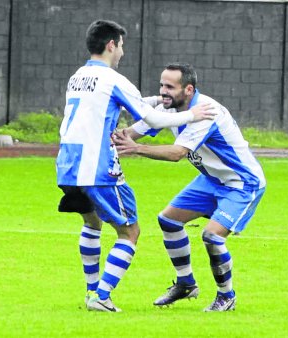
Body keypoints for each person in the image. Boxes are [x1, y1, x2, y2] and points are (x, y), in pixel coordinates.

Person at [56, 20, 215, 312]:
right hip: (98, 166)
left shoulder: (77, 76)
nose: (123, 52)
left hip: (67, 164)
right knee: (130, 232)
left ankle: (91, 292)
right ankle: (101, 297)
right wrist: (191, 115)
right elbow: (153, 120)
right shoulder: (114, 79)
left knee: (92, 224)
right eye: (122, 45)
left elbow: (119, 103)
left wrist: (156, 99)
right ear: (111, 45)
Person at [113, 63, 266, 312]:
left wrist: (136, 148)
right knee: (168, 221)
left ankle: (226, 297)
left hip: (242, 183)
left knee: (212, 237)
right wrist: (103, 132)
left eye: (170, 87)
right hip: (212, 179)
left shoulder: (206, 112)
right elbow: (129, 134)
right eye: (162, 85)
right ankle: (186, 283)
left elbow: (177, 154)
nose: (163, 92)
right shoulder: (168, 108)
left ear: (188, 89)